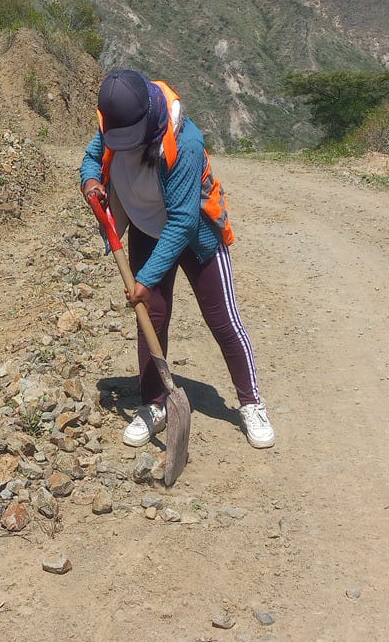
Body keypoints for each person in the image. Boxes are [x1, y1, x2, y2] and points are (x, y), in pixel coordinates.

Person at [80, 68, 274, 450]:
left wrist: (145, 279)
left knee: (223, 320)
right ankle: (155, 404)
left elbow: (183, 222)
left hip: (196, 236)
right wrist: (90, 181)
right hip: (145, 230)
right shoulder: (116, 121)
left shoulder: (184, 142)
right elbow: (91, 157)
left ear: (147, 119)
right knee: (151, 319)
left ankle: (251, 402)